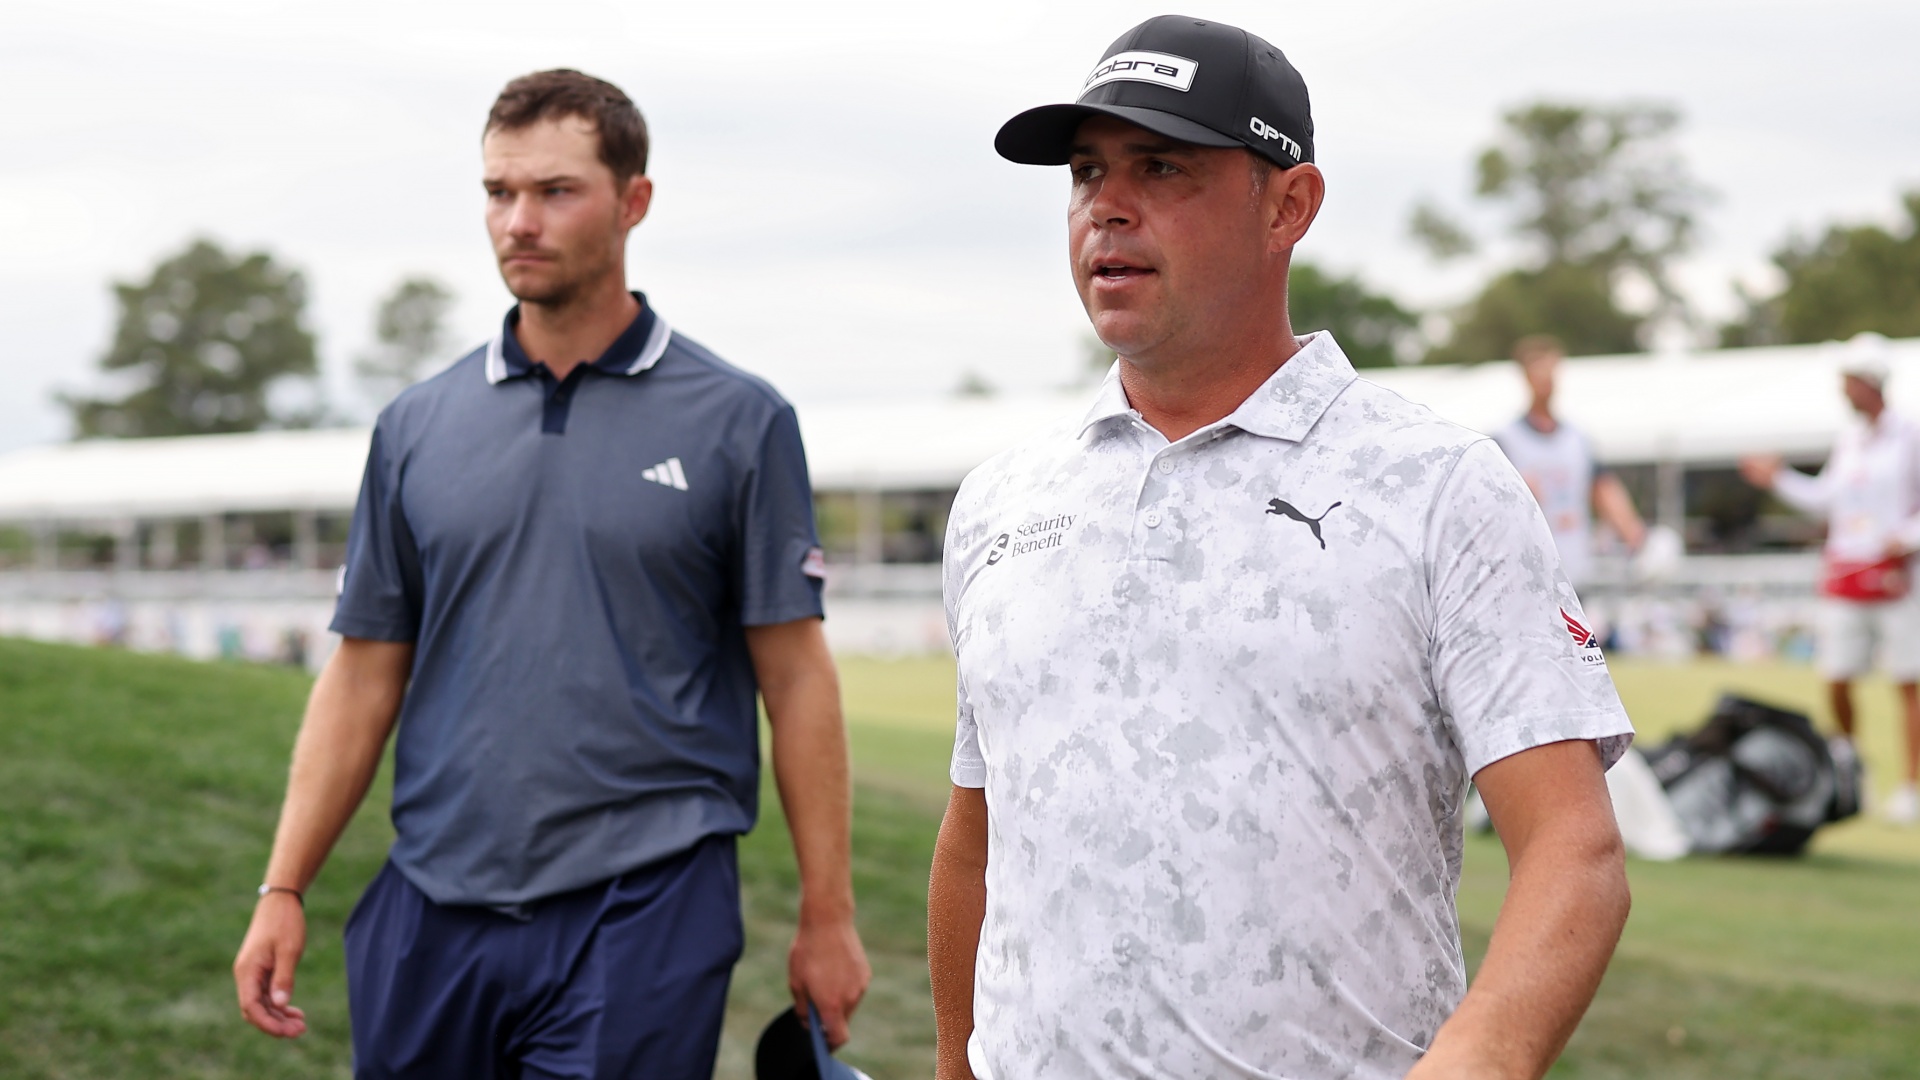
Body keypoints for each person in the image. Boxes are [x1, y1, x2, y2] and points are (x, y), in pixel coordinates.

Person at [927, 17, 1634, 1080]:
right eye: (1085, 173)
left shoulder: (1436, 486)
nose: (1106, 206)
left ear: (1287, 205)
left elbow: (1574, 851)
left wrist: (1478, 1059)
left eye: (1161, 166)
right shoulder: (1001, 503)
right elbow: (979, 840)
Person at [232, 70, 871, 1077]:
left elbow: (796, 678)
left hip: (644, 906)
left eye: (556, 191)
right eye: (498, 192)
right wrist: (284, 888)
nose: (519, 221)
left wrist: (827, 914)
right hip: (430, 907)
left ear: (634, 202)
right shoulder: (415, 427)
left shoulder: (740, 422)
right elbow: (362, 675)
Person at [1740, 333, 1920, 825]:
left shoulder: (1911, 434)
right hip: (1846, 571)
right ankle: (1851, 769)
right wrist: (1777, 478)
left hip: (1897, 579)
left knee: (1908, 681)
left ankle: (1913, 786)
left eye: (1848, 380)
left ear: (1869, 383)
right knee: (1838, 678)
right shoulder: (1851, 440)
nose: (1843, 389)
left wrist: (1905, 538)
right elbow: (1828, 500)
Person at [1493, 335, 1648, 587]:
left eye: (1550, 370)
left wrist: (1633, 533)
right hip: (1526, 577)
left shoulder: (1577, 439)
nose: (1546, 379)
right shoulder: (1506, 440)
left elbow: (1603, 488)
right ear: (1524, 376)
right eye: (1538, 370)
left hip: (1574, 571)